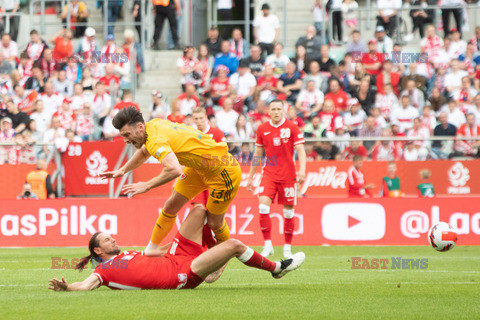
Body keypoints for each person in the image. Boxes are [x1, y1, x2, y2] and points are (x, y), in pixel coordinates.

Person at [48, 206, 305, 292]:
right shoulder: (105, 272)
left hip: (177, 257)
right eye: (106, 240)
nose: (113, 239)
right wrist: (67, 287)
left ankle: (213, 259)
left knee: (199, 210)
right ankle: (277, 268)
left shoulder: (131, 253)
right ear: (98, 252)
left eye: (111, 236)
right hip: (182, 274)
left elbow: (159, 252)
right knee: (235, 245)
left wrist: (182, 242)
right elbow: (85, 285)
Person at [100, 107, 241, 255]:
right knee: (171, 205)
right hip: (198, 169)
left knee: (214, 222)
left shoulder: (155, 140)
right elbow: (143, 151)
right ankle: (152, 248)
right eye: (123, 136)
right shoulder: (152, 126)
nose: (126, 140)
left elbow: (174, 169)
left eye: (127, 134)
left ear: (140, 127)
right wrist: (122, 170)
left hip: (223, 171)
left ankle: (223, 255)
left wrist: (147, 185)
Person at [246, 100, 306, 258]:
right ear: (268, 111)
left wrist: (302, 170)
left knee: (288, 212)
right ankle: (267, 245)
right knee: (263, 207)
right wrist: (251, 176)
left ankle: (287, 248)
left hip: (288, 176)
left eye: (279, 109)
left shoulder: (292, 127)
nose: (276, 112)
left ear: (284, 110)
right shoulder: (262, 129)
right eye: (273, 109)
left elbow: (300, 149)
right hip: (269, 174)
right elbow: (258, 154)